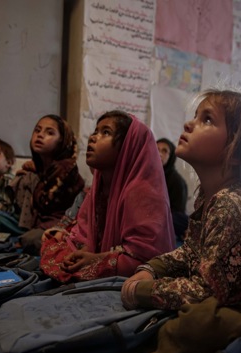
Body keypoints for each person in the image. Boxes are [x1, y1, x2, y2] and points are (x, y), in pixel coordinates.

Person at [121, 90, 241, 353]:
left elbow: (205, 292)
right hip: (221, 293)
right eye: (196, 116)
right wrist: (152, 268)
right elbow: (191, 252)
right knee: (172, 304)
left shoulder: (230, 204)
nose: (189, 124)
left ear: (237, 153)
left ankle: (139, 346)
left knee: (196, 324)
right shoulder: (208, 196)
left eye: (207, 120)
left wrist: (140, 291)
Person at [39, 111, 175, 282]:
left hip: (137, 272)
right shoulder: (99, 187)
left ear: (127, 148)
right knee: (53, 246)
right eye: (96, 131)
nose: (93, 137)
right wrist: (83, 250)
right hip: (105, 256)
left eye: (106, 132)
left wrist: (95, 259)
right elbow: (84, 233)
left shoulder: (143, 194)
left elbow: (143, 259)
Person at [11, 114, 85, 255]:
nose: (40, 135)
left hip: (61, 225)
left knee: (30, 240)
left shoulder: (65, 167)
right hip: (39, 223)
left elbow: (45, 203)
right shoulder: (41, 168)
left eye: (50, 133)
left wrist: (35, 178)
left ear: (62, 141)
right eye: (37, 130)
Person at [156, 137, 189, 243]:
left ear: (171, 156)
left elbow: (178, 214)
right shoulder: (146, 176)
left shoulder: (177, 181)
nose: (159, 154)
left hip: (167, 224)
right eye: (156, 149)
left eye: (164, 151)